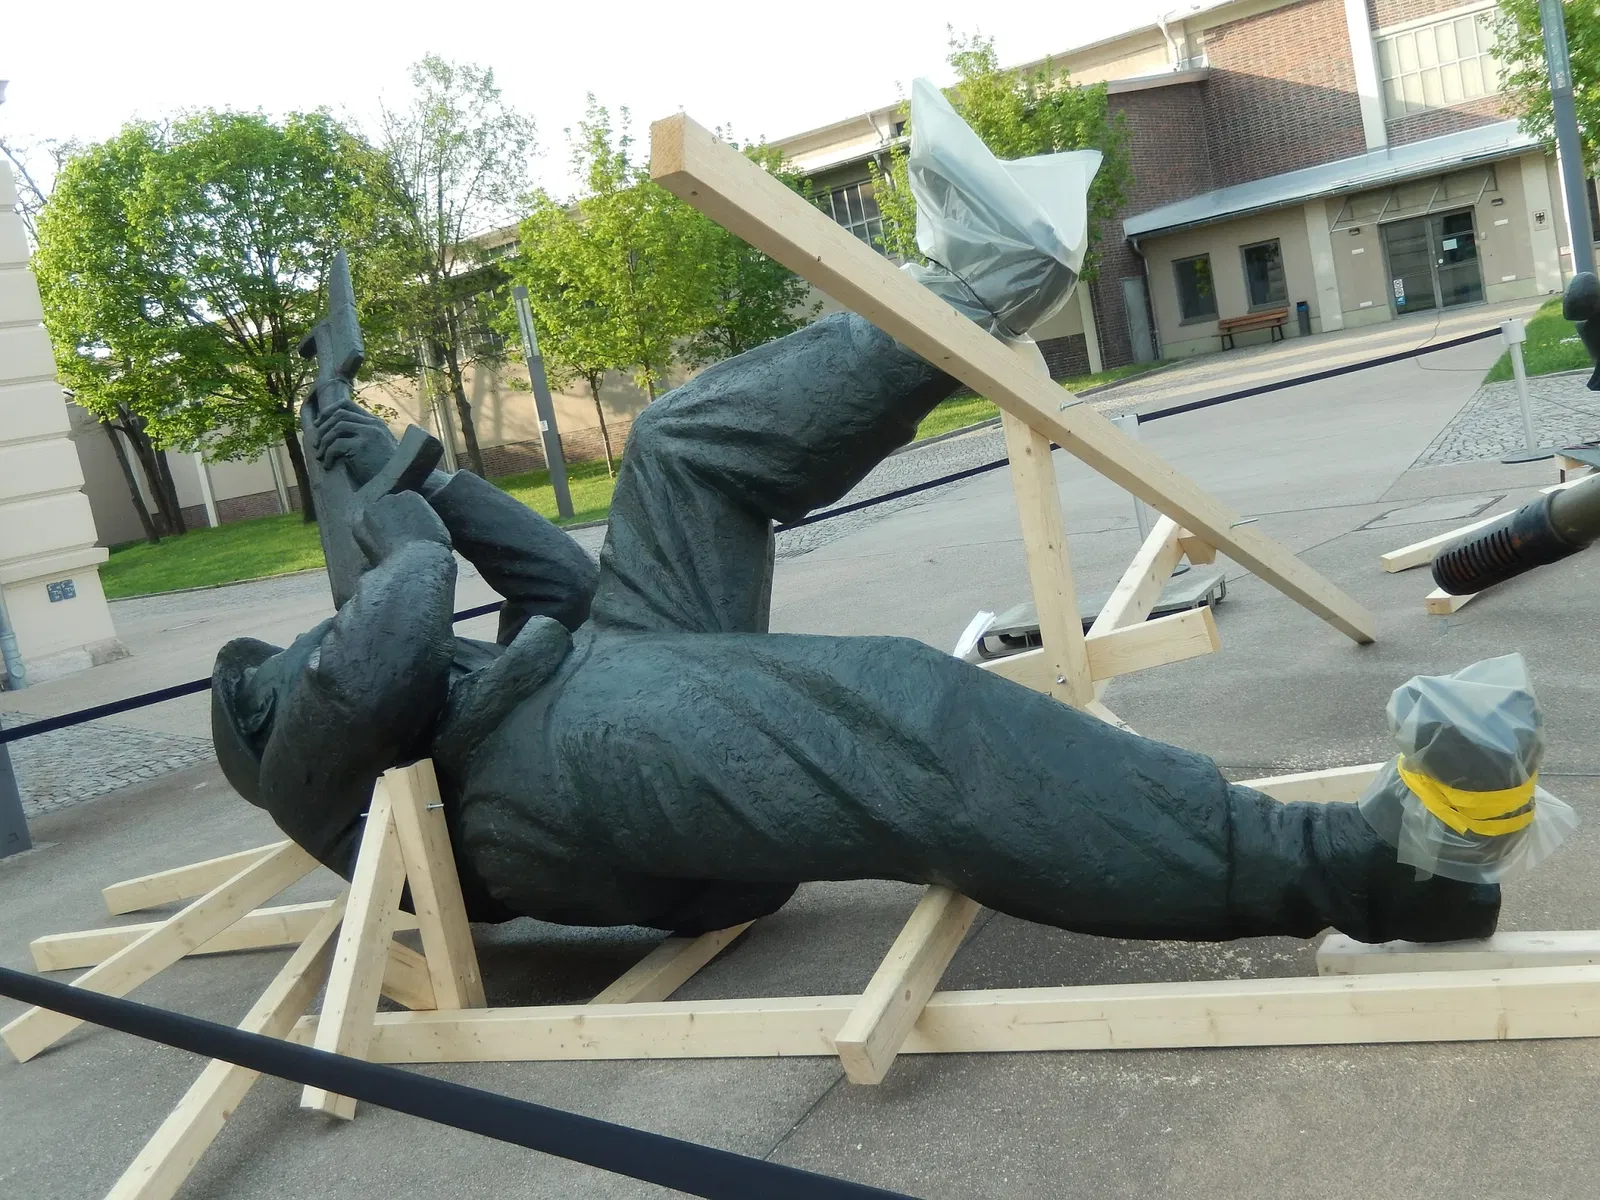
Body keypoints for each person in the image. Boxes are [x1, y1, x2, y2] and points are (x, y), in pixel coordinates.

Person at [212, 310, 1500, 946]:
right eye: (264, 678)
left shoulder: (370, 680)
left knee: (677, 451)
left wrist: (430, 480)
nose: (284, 661)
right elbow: (394, 625)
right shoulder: (307, 773)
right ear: (259, 730)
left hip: (591, 679)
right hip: (555, 790)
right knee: (897, 709)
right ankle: (1358, 873)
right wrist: (401, 525)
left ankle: (951, 306)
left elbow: (553, 587)